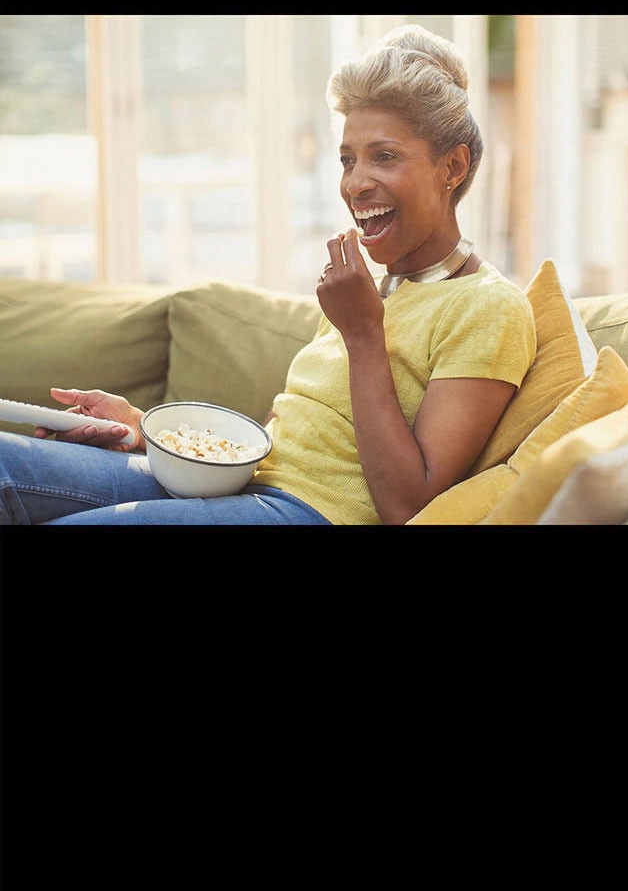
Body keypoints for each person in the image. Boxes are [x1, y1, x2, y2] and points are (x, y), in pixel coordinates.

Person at [0, 26, 536, 527]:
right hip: (244, 492)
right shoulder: (370, 293)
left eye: (385, 157)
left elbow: (408, 505)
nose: (356, 184)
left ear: (454, 167)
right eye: (348, 160)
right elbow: (289, 447)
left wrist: (363, 333)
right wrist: (151, 434)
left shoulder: (488, 307)